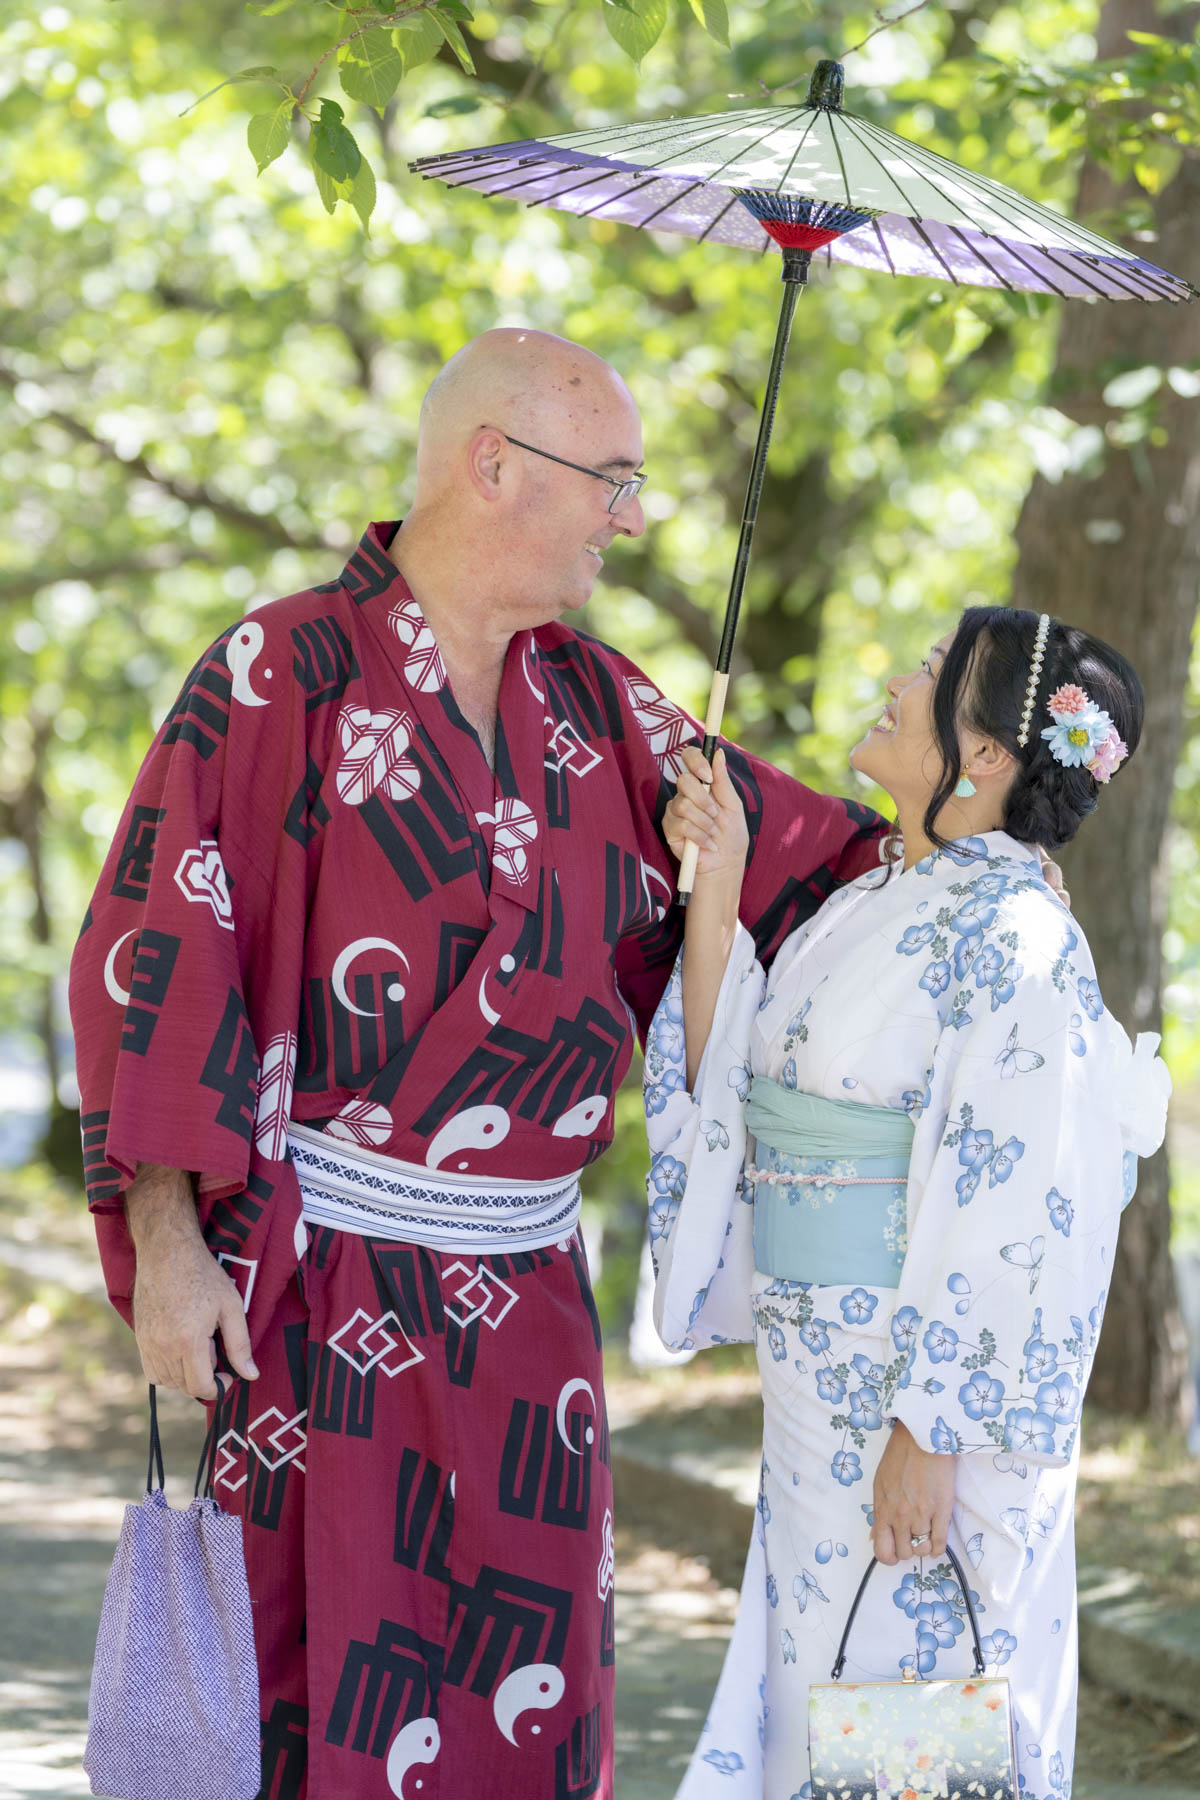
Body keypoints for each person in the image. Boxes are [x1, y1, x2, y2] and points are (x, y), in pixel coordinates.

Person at [68, 328, 887, 1800]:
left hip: (528, 1319)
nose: (633, 514)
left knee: (530, 1707)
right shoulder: (278, 673)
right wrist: (166, 1236)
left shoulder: (610, 707)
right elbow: (154, 950)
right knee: (311, 1693)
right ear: (494, 463)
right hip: (322, 1296)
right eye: (613, 478)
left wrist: (975, 869)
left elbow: (819, 868)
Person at [645, 607, 1171, 1800]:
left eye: (931, 671)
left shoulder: (1020, 939)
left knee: (912, 1719)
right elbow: (743, 1082)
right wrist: (717, 881)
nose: (896, 679)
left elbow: (1020, 1205)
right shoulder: (884, 899)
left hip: (916, 1405)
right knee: (823, 1698)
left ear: (983, 754)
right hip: (823, 1387)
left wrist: (933, 1433)